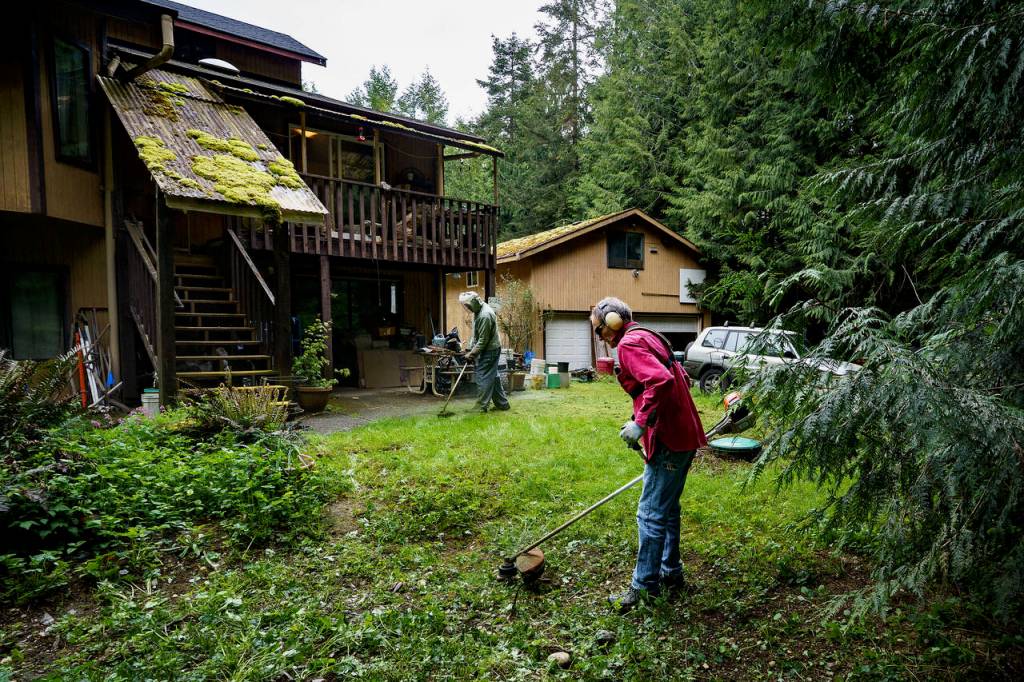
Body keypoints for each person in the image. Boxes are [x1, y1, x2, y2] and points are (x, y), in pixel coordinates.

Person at [591, 296, 706, 613]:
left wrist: (641, 424)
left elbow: (660, 380)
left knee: (650, 513)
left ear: (613, 321)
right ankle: (671, 572)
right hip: (683, 434)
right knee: (667, 509)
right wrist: (639, 419)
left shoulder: (629, 343)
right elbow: (672, 382)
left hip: (670, 438)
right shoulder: (647, 336)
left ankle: (644, 589)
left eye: (600, 330)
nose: (600, 337)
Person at [459, 291, 510, 412]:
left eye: (468, 305)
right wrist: (471, 349)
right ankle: (502, 404)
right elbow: (477, 335)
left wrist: (472, 354)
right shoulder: (478, 310)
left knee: (483, 376)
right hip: (490, 348)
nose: (467, 308)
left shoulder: (485, 315)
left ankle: (481, 406)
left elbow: (483, 340)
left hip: (490, 350)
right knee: (493, 376)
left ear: (474, 303)